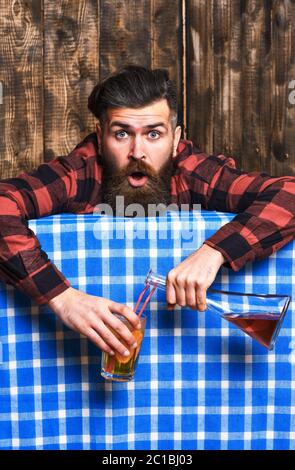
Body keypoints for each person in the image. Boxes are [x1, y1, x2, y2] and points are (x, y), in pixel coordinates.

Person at [0, 65, 294, 359]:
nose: (137, 152)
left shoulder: (193, 171)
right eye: (122, 134)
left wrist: (214, 252)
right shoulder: (79, 173)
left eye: (153, 134)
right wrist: (63, 298)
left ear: (176, 140)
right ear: (101, 137)